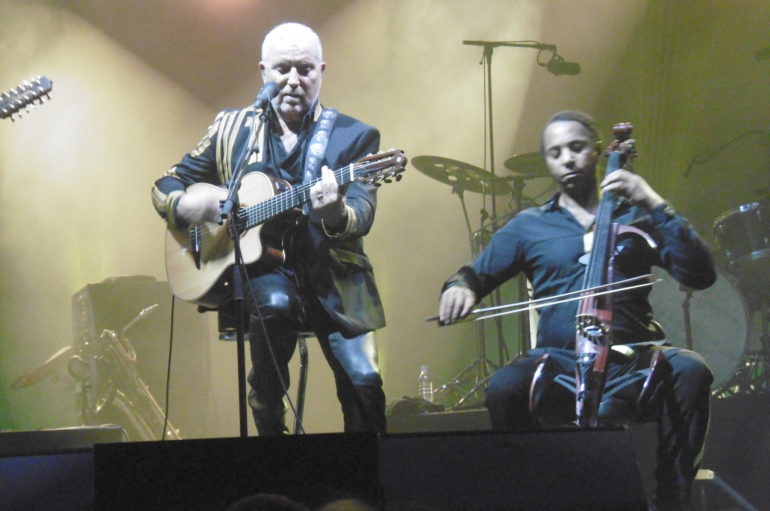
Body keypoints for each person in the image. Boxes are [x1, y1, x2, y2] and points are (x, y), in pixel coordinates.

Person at [438, 110, 716, 510]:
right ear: (547, 163)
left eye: (576, 147)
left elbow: (700, 273)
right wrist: (459, 288)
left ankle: (672, 499)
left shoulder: (636, 215)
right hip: (561, 365)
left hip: (633, 359)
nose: (567, 159)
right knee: (504, 387)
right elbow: (473, 276)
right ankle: (532, 499)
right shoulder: (529, 225)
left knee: (691, 370)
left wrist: (653, 201)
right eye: (555, 153)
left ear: (599, 151)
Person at [151, 22, 387, 435]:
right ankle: (270, 430)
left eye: (305, 69)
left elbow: (362, 212)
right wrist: (186, 205)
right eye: (282, 69)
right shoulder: (231, 130)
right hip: (265, 274)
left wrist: (334, 213)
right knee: (274, 305)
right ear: (263, 72)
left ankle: (367, 477)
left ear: (322, 71)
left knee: (365, 384)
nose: (294, 80)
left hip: (335, 280)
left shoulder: (356, 137)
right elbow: (165, 182)